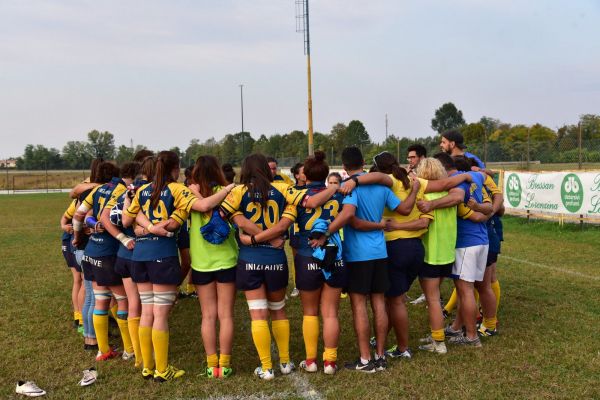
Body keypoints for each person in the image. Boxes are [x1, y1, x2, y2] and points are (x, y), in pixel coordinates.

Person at [220, 153, 338, 380]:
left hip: (249, 259)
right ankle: (285, 362)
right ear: (267, 169)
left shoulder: (237, 192)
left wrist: (253, 236)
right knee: (278, 310)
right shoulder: (283, 189)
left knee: (257, 315)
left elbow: (223, 216)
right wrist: (334, 188)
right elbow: (303, 208)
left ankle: (266, 368)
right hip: (275, 260)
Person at [311, 147, 419, 373]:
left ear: (343, 168)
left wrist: (326, 232)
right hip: (380, 252)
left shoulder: (349, 186)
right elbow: (406, 209)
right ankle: (380, 356)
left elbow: (354, 221)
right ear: (363, 162)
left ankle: (365, 359)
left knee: (359, 304)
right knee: (379, 303)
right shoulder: (380, 185)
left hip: (358, 255)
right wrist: (415, 189)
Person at [417, 154, 492, 347]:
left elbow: (421, 223)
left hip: (437, 253)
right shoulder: (451, 194)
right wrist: (486, 215)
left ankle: (468, 337)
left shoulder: (423, 195)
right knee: (464, 290)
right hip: (453, 251)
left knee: (454, 294)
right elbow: (475, 215)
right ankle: (458, 330)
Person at [72, 162, 135, 362]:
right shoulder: (120, 190)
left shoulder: (98, 189)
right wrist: (123, 238)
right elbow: (110, 219)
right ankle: (129, 349)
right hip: (108, 253)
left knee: (101, 300)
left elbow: (79, 215)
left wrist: (77, 235)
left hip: (91, 252)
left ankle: (103, 350)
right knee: (123, 301)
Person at [186, 156, 238, 378]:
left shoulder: (189, 193)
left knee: (208, 315)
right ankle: (224, 364)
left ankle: (211, 364)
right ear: (218, 170)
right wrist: (227, 189)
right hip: (227, 259)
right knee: (225, 315)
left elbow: (201, 206)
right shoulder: (228, 191)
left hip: (201, 262)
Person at [99, 161, 143, 366]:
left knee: (129, 302)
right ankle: (138, 352)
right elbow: (127, 220)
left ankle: (132, 352)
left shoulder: (120, 191)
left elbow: (98, 217)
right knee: (142, 306)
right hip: (137, 252)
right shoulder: (139, 191)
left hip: (122, 253)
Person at [60, 198, 84, 332]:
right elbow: (64, 219)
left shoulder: (81, 197)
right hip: (71, 241)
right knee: (80, 280)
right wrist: (64, 226)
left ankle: (80, 317)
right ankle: (80, 319)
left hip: (71, 241)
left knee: (80, 280)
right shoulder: (80, 200)